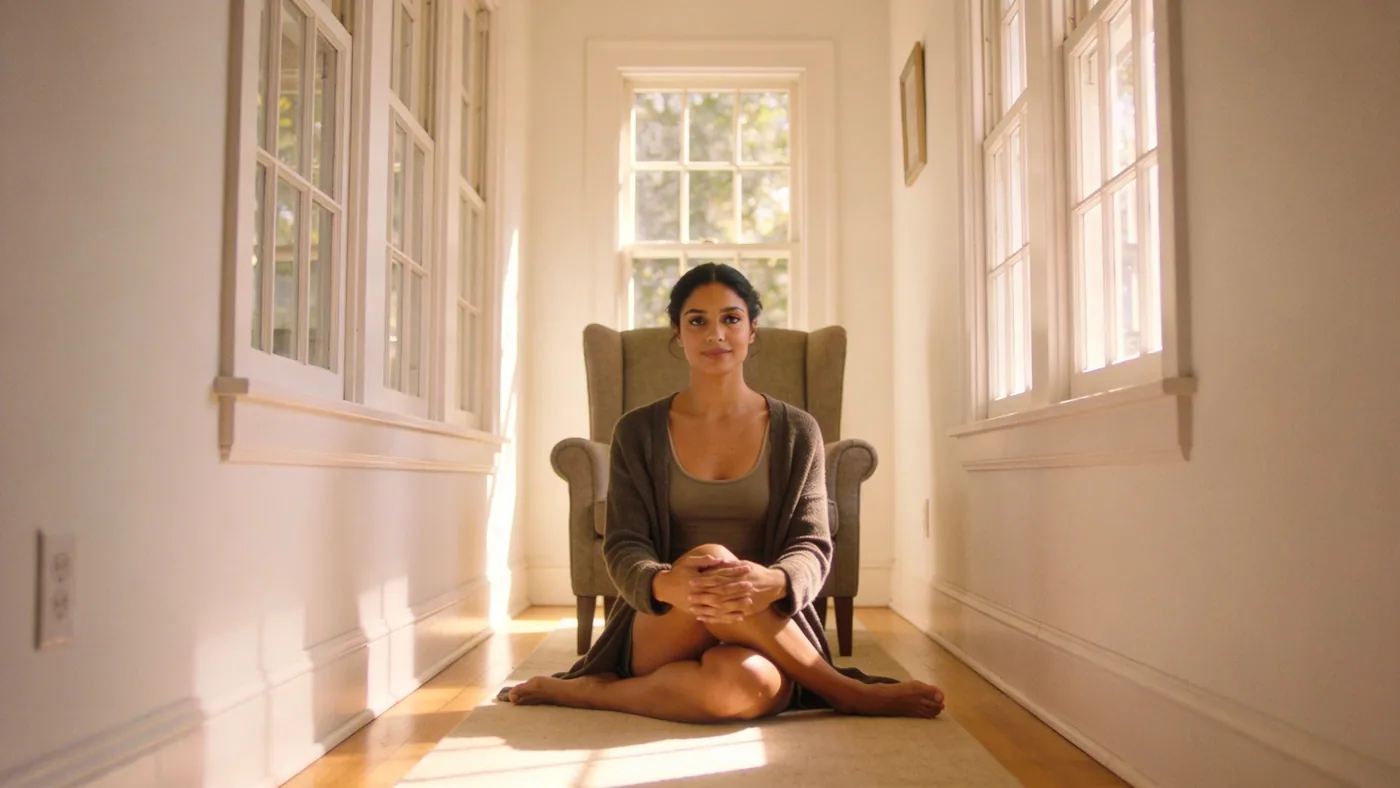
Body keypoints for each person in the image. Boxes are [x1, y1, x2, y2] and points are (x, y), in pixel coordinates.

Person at [500, 263, 946, 722]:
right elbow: (624, 543)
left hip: (765, 620)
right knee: (714, 556)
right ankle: (845, 692)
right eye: (697, 321)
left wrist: (774, 581)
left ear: (753, 329)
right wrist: (662, 581)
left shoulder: (797, 431)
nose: (716, 334)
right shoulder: (636, 431)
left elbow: (812, 543)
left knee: (742, 690)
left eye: (731, 318)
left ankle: (597, 693)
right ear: (678, 334)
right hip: (667, 621)